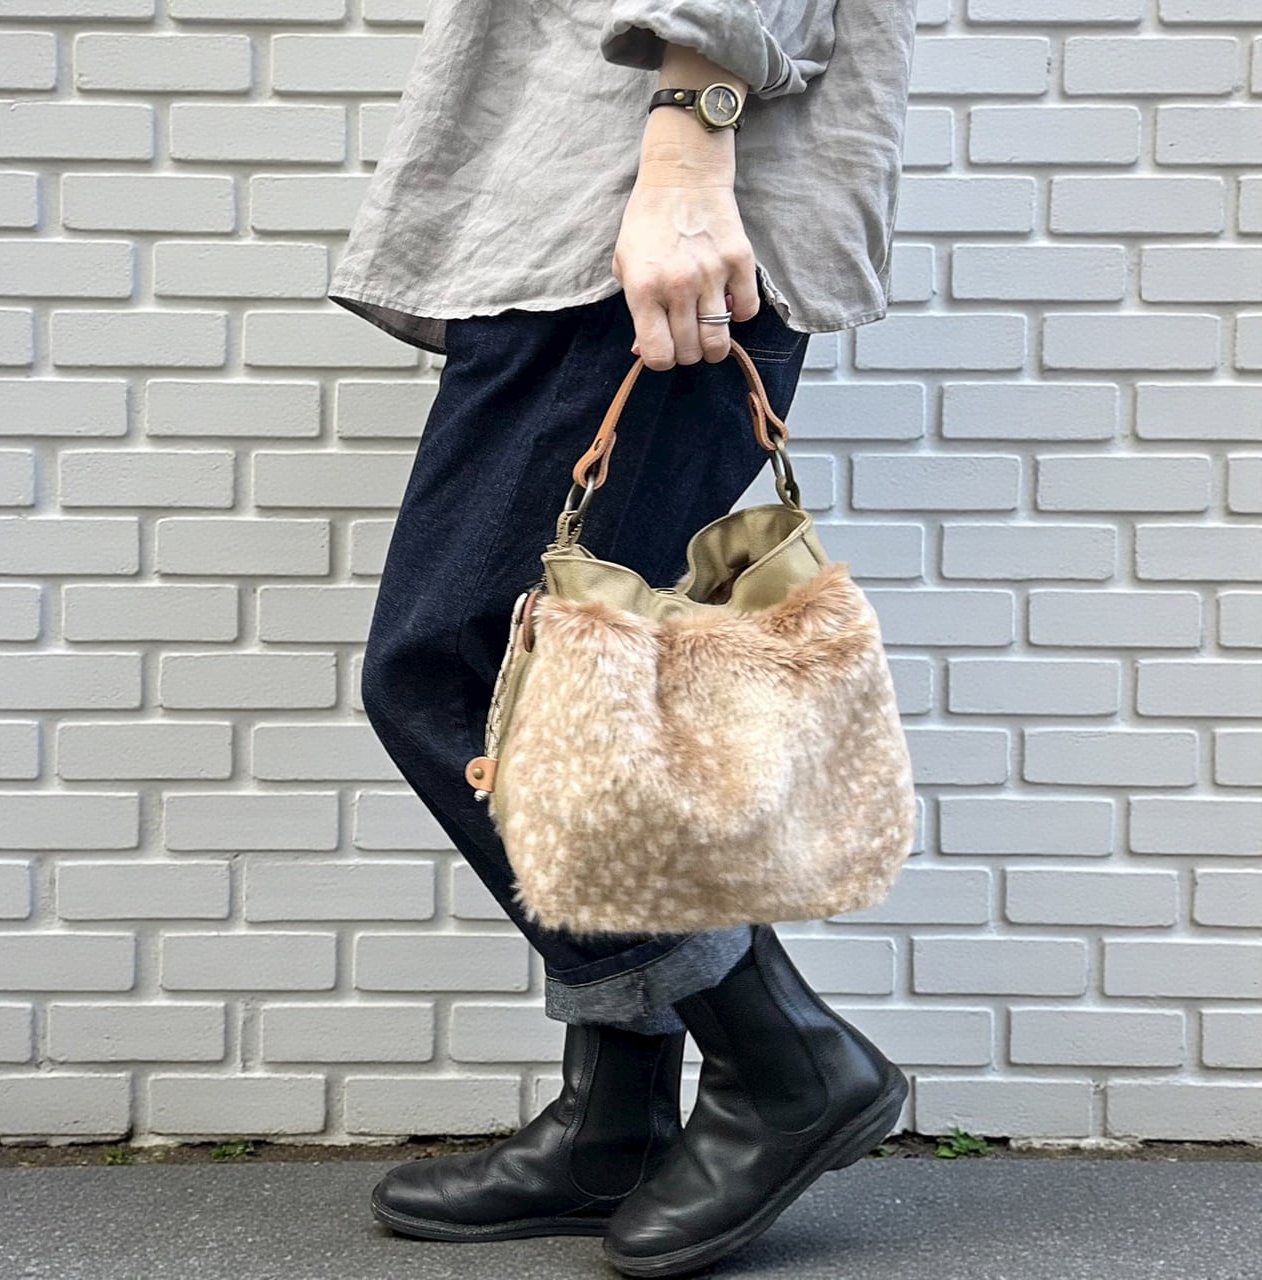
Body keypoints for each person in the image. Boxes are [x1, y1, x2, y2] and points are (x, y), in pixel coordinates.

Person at [327, 2, 919, 1274]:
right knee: (589, 679)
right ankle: (614, 1119)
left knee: (462, 666)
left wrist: (690, 131)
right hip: (593, 220)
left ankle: (784, 1058)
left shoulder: (671, 171)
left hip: (638, 227)